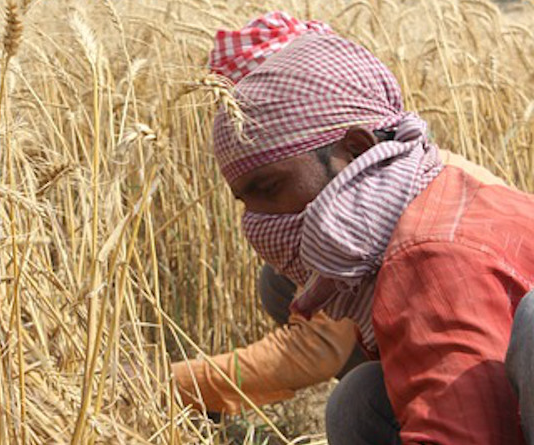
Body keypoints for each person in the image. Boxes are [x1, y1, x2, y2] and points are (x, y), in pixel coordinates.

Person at [169, 11, 534, 445]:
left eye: (270, 188)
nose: (257, 225)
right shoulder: (411, 188)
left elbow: (315, 351)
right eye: (247, 202)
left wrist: (168, 384)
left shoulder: (427, 250)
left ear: (357, 150)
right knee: (361, 401)